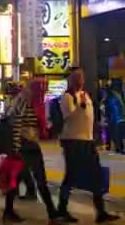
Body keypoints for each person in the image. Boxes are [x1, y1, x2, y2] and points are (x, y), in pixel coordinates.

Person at [57, 69, 120, 223]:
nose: (80, 79)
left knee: (96, 176)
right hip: (73, 142)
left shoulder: (85, 94)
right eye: (77, 77)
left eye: (82, 76)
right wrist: (81, 104)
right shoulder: (67, 96)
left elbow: (89, 118)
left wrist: (95, 136)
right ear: (70, 79)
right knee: (70, 177)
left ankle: (101, 212)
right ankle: (61, 211)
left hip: (87, 141)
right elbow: (67, 115)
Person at [4, 80, 59, 224]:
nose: (44, 92)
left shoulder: (34, 101)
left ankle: (8, 212)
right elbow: (17, 124)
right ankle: (52, 214)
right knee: (39, 180)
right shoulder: (25, 101)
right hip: (25, 146)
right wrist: (16, 148)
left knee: (19, 180)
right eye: (42, 89)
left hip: (30, 144)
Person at [105, 87, 124, 153]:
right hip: (117, 119)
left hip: (115, 119)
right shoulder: (116, 97)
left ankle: (118, 148)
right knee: (118, 134)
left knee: (116, 134)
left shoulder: (110, 98)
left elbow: (107, 110)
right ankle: (119, 148)